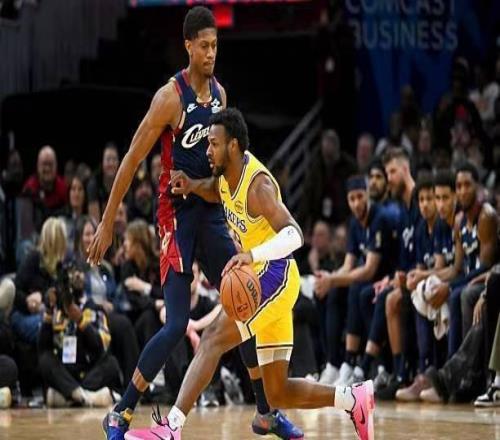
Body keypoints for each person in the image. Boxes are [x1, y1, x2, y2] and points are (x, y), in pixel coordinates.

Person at [87, 7, 301, 440]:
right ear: (187, 46)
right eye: (203, 46)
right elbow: (132, 159)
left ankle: (265, 413)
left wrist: (216, 187)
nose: (210, 53)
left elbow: (222, 169)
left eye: (215, 46)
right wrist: (107, 222)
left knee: (245, 299)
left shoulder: (220, 95)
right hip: (175, 216)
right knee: (175, 323)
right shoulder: (170, 97)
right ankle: (121, 412)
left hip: (210, 210)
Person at [136, 108, 375, 440]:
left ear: (233, 146)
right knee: (277, 392)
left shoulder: (257, 186)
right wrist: (191, 185)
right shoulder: (226, 177)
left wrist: (251, 255)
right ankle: (353, 399)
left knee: (212, 338)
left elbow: (294, 235)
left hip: (274, 277)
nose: (207, 151)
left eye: (213, 144)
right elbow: (215, 189)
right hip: (266, 280)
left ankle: (171, 427)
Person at [314, 175, 398, 386]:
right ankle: (333, 364)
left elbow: (369, 270)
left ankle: (351, 362)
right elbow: (348, 265)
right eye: (352, 199)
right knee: (329, 292)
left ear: (367, 194)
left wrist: (334, 279)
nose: (356, 203)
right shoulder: (354, 223)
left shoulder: (379, 218)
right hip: (367, 278)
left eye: (360, 197)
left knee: (355, 289)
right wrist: (330, 278)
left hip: (385, 276)